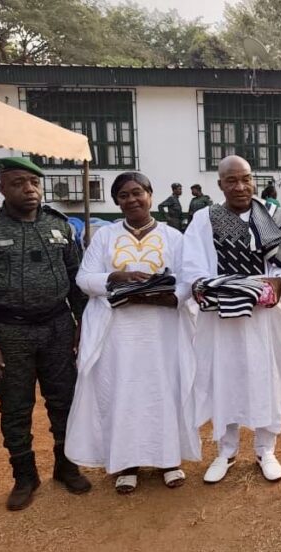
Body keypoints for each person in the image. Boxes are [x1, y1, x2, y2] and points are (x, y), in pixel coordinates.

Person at [0, 157, 91, 511]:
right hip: (9, 330)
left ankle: (66, 465)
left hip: (58, 327)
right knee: (16, 406)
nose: (29, 189)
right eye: (18, 183)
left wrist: (82, 327)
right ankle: (24, 475)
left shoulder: (59, 225)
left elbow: (77, 281)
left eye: (34, 182)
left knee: (64, 400)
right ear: (2, 188)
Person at [66, 172, 201, 494]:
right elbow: (85, 278)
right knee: (120, 391)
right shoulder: (104, 236)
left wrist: (169, 296)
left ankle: (169, 460)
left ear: (150, 195)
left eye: (137, 192)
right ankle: (126, 464)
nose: (132, 199)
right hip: (118, 334)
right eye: (124, 195)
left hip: (162, 331)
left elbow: (188, 279)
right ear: (116, 202)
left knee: (163, 390)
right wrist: (116, 278)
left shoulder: (174, 237)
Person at [182, 155, 281, 484]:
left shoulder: (273, 216)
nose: (240, 187)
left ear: (253, 180)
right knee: (225, 379)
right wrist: (219, 289)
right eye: (231, 181)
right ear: (219, 185)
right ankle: (226, 450)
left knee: (267, 379)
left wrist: (278, 282)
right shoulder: (205, 219)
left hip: (264, 317)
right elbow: (191, 267)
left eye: (246, 179)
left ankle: (266, 450)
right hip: (221, 318)